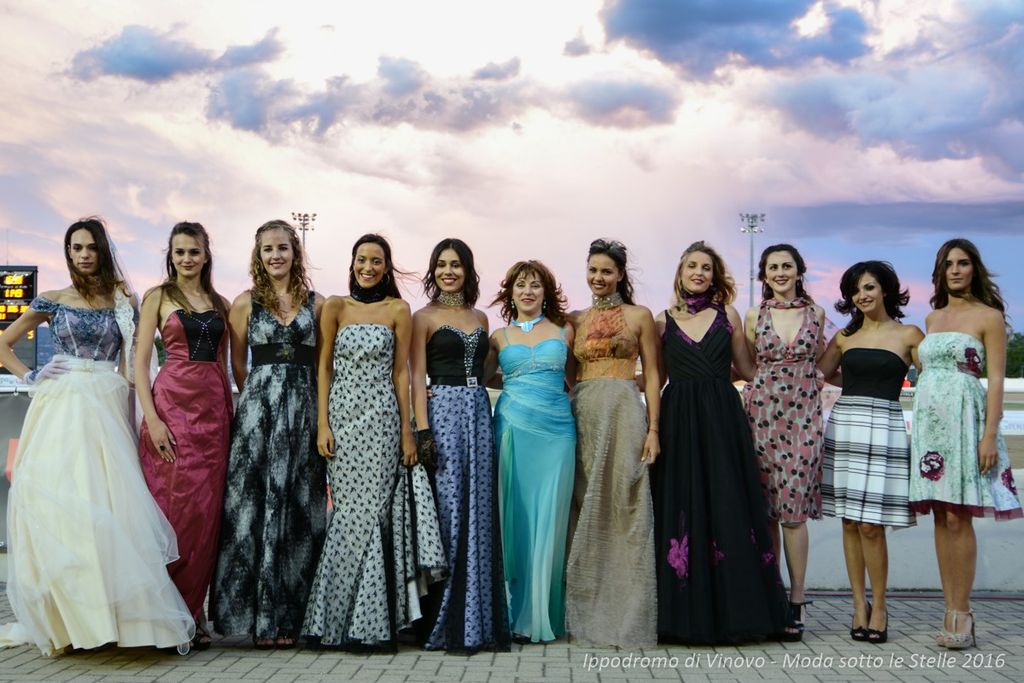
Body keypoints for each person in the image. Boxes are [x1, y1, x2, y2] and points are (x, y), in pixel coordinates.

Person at [0, 217, 194, 655]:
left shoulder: (124, 298)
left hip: (107, 403)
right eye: (76, 248)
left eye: (91, 247)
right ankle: (71, 625)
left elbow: (134, 359)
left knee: (111, 507)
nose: (84, 255)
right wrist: (31, 375)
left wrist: (139, 411)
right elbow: (2, 343)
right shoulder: (52, 300)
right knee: (62, 507)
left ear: (103, 251)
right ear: (67, 253)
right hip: (61, 406)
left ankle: (120, 622)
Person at [302, 233, 445, 651]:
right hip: (342, 422)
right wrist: (323, 424)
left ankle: (371, 624)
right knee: (347, 514)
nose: (368, 267)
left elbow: (401, 374)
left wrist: (407, 431)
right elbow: (323, 369)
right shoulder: (335, 306)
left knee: (374, 516)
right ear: (352, 263)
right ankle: (333, 622)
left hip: (382, 422)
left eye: (376, 261)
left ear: (386, 267)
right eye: (362, 260)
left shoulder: (398, 309)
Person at [652, 240, 791, 644]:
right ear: (680, 273)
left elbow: (748, 369)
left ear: (714, 276)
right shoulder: (661, 322)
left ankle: (739, 612)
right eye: (692, 266)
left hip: (722, 419)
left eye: (706, 268)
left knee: (728, 504)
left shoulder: (727, 314)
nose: (699, 272)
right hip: (678, 418)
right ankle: (683, 618)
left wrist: (794, 376)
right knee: (683, 505)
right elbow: (656, 377)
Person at [211, 219, 326, 649]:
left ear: (295, 252)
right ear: (258, 256)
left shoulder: (319, 304)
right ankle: (257, 619)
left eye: (282, 248)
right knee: (252, 508)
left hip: (305, 415)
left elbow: (324, 365)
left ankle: (293, 619)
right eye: (267, 249)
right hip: (257, 418)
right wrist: (261, 401)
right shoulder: (245, 303)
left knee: (300, 510)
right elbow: (239, 365)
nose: (275, 255)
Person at [909, 239, 1021, 649]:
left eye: (963, 263)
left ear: (975, 269)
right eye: (948, 264)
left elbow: (996, 381)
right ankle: (948, 607)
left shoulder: (989, 316)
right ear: (940, 272)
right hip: (930, 427)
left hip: (966, 424)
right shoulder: (932, 317)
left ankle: (963, 611)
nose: (955, 270)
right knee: (941, 517)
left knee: (960, 518)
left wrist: (990, 434)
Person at [135, 222, 233, 651]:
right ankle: (163, 613)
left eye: (194, 251)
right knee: (169, 510)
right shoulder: (157, 297)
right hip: (170, 409)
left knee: (205, 516)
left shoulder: (221, 303)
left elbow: (225, 365)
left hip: (213, 415)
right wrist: (153, 419)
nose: (187, 259)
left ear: (206, 255)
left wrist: (229, 415)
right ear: (170, 256)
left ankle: (194, 615)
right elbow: (140, 361)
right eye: (180, 252)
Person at [410, 238, 510, 653]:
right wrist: (422, 430)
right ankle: (444, 618)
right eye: (441, 264)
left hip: (478, 413)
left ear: (468, 270)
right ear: (433, 271)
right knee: (449, 511)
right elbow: (415, 375)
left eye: (456, 265)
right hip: (443, 414)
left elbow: (486, 373)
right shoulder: (422, 317)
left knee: (479, 511)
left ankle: (477, 618)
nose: (448, 272)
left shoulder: (480, 317)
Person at [819, 260, 923, 645]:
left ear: (886, 290)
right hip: (846, 425)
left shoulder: (910, 334)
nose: (861, 295)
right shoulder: (845, 336)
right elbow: (821, 374)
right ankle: (857, 606)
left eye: (869, 287)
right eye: (855, 290)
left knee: (871, 525)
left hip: (885, 429)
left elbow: (934, 377)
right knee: (849, 521)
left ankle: (880, 606)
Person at [565, 239, 658, 648]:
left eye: (606, 271)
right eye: (593, 270)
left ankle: (627, 610)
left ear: (620, 274)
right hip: (583, 414)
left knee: (626, 504)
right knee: (583, 503)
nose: (598, 278)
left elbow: (653, 375)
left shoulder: (640, 316)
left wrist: (654, 429)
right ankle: (582, 606)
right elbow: (567, 374)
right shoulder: (574, 319)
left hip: (624, 412)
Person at [742, 244, 826, 640]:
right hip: (762, 417)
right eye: (773, 266)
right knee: (767, 513)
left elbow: (823, 362)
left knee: (794, 513)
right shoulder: (753, 315)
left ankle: (797, 597)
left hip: (803, 419)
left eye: (786, 266)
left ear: (798, 271)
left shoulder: (816, 314)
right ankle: (771, 596)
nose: (780, 272)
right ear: (764, 274)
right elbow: (746, 365)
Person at [490, 260, 576, 643]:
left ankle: (540, 614)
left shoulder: (564, 331)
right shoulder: (499, 337)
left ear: (546, 292)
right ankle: (513, 613)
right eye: (521, 285)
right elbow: (480, 377)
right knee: (517, 519)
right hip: (513, 428)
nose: (528, 291)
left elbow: (576, 380)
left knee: (551, 520)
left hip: (558, 435)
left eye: (535, 285)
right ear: (510, 293)